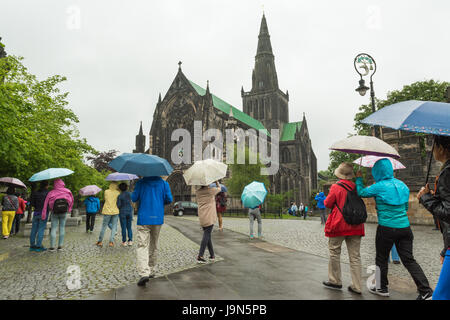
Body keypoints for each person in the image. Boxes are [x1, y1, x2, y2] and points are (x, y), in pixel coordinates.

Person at [357, 158, 433, 300]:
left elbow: (361, 192)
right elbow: (404, 207)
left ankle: (382, 287)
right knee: (409, 260)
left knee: (381, 258)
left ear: (377, 171)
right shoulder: (403, 185)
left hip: (386, 228)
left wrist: (359, 178)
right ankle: (426, 291)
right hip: (405, 228)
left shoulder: (378, 186)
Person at [322, 162, 365, 294]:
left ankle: (335, 280)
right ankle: (357, 286)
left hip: (339, 224)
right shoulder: (357, 187)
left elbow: (328, 203)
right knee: (355, 257)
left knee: (335, 252)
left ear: (340, 174)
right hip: (356, 225)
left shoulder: (336, 187)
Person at [418, 134, 450, 300]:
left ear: (442, 149)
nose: (432, 150)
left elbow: (448, 213)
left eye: (434, 146)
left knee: (441, 296)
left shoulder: (447, 172)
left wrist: (425, 198)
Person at [132, 176, 172, 286]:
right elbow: (169, 199)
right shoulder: (164, 184)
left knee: (142, 245)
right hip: (157, 217)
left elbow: (134, 197)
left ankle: (144, 272)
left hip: (144, 218)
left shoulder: (141, 182)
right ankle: (152, 269)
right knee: (154, 244)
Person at [42, 178, 74, 252]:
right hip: (64, 212)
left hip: (54, 212)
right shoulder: (68, 191)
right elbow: (72, 201)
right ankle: (60, 246)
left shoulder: (51, 192)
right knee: (62, 228)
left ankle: (52, 247)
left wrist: (44, 214)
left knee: (53, 228)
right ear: (62, 184)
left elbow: (45, 203)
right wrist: (69, 209)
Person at [196, 181, 221, 264]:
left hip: (202, 216)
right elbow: (219, 189)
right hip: (209, 216)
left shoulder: (198, 192)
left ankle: (212, 255)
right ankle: (200, 255)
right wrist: (217, 182)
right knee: (206, 235)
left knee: (208, 235)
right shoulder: (210, 190)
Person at [96, 182, 120, 248]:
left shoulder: (106, 191)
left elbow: (105, 199)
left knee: (104, 226)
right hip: (115, 211)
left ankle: (100, 241)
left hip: (107, 211)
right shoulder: (118, 193)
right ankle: (111, 242)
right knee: (114, 227)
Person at [29, 181, 50, 252]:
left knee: (34, 229)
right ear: (46, 186)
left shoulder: (35, 193)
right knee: (41, 229)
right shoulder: (48, 193)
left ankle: (32, 245)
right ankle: (38, 246)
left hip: (36, 213)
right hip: (44, 213)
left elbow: (32, 203)